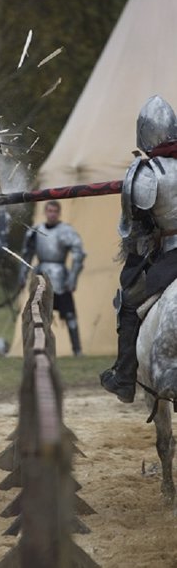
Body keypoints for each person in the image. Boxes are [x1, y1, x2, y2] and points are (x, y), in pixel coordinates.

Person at [101, 94, 177, 403]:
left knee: (129, 301)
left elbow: (133, 226)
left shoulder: (147, 171)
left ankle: (124, 377)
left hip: (171, 254)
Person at [18, 200, 86, 355]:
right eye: (49, 211)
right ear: (45, 212)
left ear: (59, 213)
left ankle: (77, 350)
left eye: (55, 211)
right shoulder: (36, 231)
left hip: (61, 277)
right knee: (38, 315)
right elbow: (26, 255)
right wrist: (22, 275)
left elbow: (79, 254)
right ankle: (40, 348)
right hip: (41, 277)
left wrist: (73, 278)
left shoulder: (66, 231)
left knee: (69, 315)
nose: (52, 214)